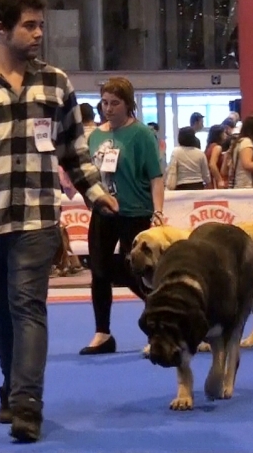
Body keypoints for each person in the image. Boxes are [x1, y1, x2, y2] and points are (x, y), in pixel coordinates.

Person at [0, 0, 117, 443]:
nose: (39, 34)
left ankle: (28, 403)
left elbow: (74, 148)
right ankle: (12, 386)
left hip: (38, 219)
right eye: (30, 26)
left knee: (28, 307)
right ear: (1, 29)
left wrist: (95, 192)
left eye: (40, 26)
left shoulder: (56, 83)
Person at [80, 76, 164, 356]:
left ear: (128, 104)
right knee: (99, 271)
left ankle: (160, 324)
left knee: (136, 271)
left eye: (115, 103)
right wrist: (89, 197)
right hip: (104, 211)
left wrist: (158, 211)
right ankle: (102, 333)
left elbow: (155, 177)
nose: (108, 108)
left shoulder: (142, 135)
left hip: (136, 211)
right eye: (104, 102)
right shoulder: (96, 136)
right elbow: (91, 174)